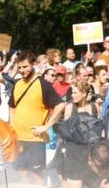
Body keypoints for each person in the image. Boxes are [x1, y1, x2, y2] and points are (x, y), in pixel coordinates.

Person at [8, 51, 66, 181]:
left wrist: (46, 126)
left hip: (35, 139)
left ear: (33, 65)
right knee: (21, 173)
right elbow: (11, 106)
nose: (22, 70)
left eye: (25, 67)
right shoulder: (17, 84)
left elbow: (60, 105)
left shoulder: (43, 84)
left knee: (37, 175)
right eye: (20, 67)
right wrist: (12, 126)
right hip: (18, 139)